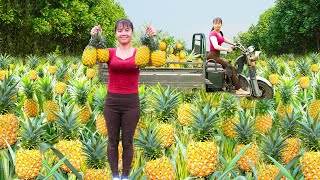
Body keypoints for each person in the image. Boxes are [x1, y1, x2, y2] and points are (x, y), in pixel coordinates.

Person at [91, 19, 156, 180]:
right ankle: (114, 175)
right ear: (115, 34)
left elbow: (155, 60)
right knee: (112, 141)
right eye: (120, 30)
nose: (123, 33)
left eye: (127, 30)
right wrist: (94, 38)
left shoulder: (139, 53)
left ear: (132, 33)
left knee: (128, 142)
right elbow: (91, 59)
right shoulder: (109, 52)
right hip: (112, 103)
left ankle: (125, 176)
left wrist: (153, 40)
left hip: (131, 104)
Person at [207, 17, 250, 95]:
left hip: (216, 56)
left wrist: (234, 44)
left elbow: (223, 39)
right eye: (215, 24)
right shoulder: (212, 34)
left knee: (229, 66)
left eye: (218, 23)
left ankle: (229, 84)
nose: (217, 25)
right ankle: (237, 89)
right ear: (213, 24)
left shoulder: (220, 33)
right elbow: (216, 46)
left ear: (221, 24)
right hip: (213, 56)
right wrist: (227, 49)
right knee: (230, 67)